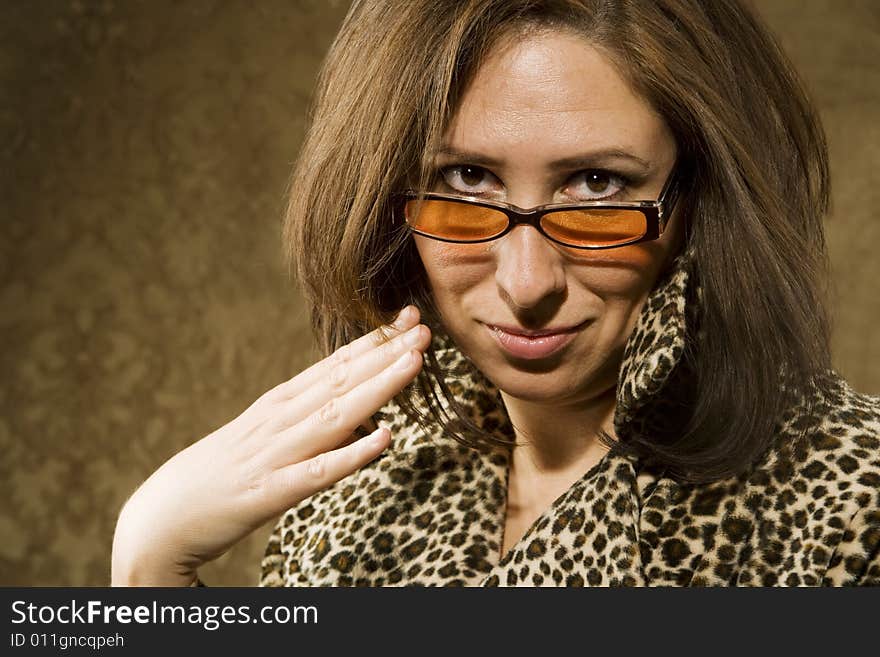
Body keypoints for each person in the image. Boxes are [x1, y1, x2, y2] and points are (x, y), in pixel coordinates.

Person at [111, 0, 880, 587]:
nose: (526, 281)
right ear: (386, 195)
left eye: (597, 184)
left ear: (701, 198)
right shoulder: (347, 500)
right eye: (466, 178)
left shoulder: (854, 505)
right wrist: (151, 566)